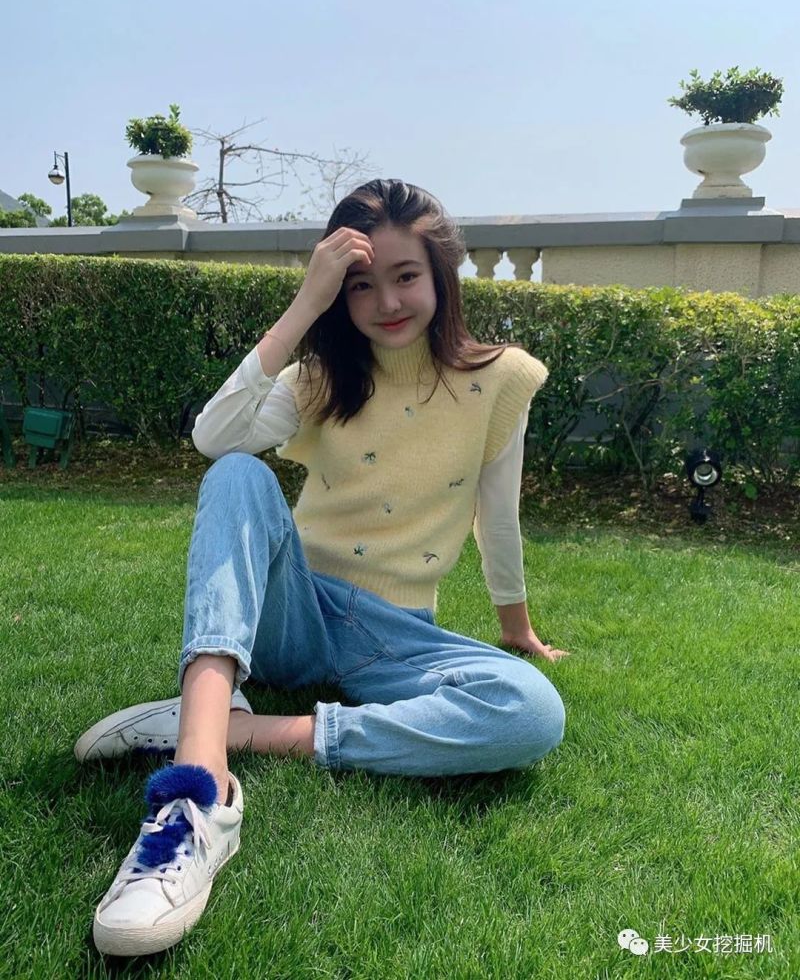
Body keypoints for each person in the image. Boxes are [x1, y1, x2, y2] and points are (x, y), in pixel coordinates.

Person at [75, 178, 570, 957]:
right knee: (237, 473)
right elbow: (214, 437)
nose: (387, 302)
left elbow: (496, 517)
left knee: (533, 711)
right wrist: (305, 302)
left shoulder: (499, 379)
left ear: (442, 275)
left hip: (395, 638)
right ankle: (197, 792)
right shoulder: (317, 380)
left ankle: (235, 727)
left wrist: (518, 629)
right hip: (296, 612)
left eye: (406, 276)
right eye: (360, 285)